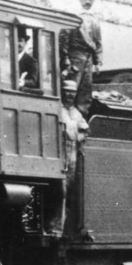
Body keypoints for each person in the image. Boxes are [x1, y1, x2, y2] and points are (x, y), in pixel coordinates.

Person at [60, 0, 104, 117]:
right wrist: (66, 58)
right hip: (75, 56)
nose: (87, 1)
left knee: (85, 92)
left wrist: (98, 61)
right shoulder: (73, 15)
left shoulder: (95, 18)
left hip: (88, 59)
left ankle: (81, 119)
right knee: (70, 89)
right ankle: (67, 119)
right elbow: (64, 37)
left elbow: (98, 41)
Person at [58, 79, 89, 236]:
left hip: (73, 158)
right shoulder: (57, 109)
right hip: (61, 156)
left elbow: (85, 130)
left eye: (72, 92)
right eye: (67, 92)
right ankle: (58, 227)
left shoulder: (77, 114)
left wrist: (79, 136)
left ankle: (66, 228)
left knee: (71, 193)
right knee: (61, 192)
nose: (69, 95)